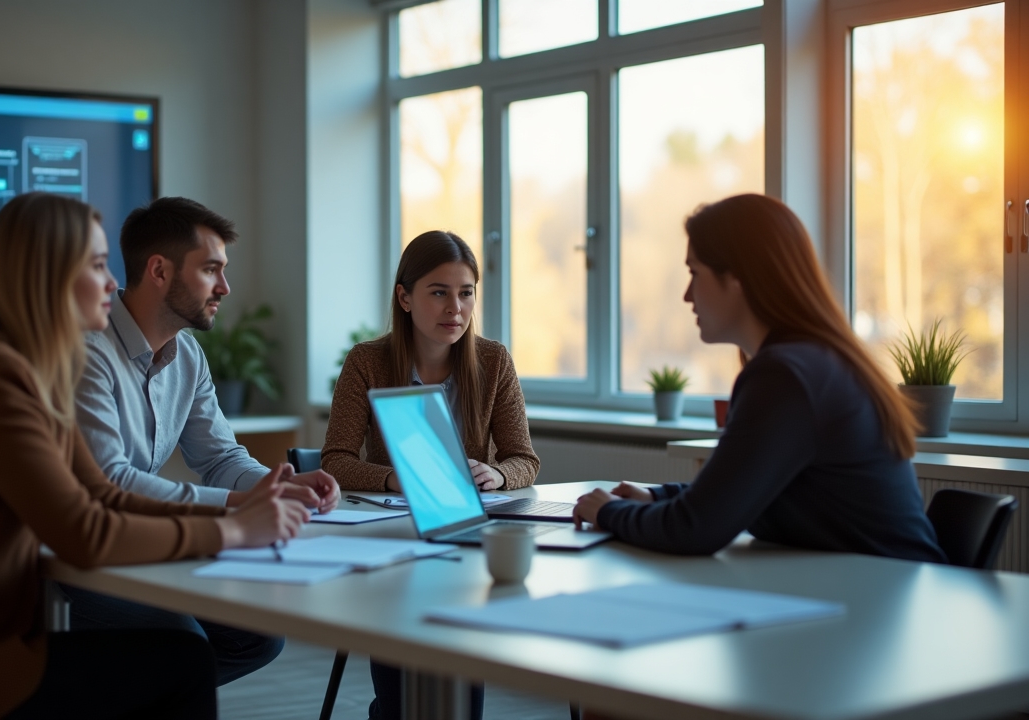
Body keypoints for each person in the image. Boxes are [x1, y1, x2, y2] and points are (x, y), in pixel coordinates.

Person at [0, 193, 311, 720]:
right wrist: (232, 529)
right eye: (96, 266)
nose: (115, 282)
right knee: (179, 660)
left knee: (181, 658)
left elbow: (103, 493)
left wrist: (239, 512)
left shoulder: (27, 369)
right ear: (45, 277)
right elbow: (84, 531)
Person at [572, 193, 945, 564]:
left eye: (694, 272)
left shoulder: (786, 376)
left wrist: (605, 511)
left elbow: (695, 528)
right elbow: (750, 491)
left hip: (892, 601)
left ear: (736, 276)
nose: (687, 295)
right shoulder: (814, 362)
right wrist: (658, 497)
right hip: (883, 590)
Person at [72, 195, 339, 684]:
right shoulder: (88, 353)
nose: (225, 287)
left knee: (256, 634)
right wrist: (241, 505)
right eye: (211, 270)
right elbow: (110, 480)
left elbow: (219, 456)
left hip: (144, 545)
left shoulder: (188, 357)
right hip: (80, 560)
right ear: (159, 271)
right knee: (184, 645)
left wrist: (277, 487)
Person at [323, 229, 541, 720]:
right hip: (394, 538)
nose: (455, 309)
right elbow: (335, 458)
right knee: (406, 695)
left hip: (465, 537)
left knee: (458, 680)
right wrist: (395, 478)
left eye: (466, 294)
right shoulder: (368, 362)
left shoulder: (493, 360)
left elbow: (525, 459)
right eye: (439, 293)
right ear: (404, 297)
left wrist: (497, 474)